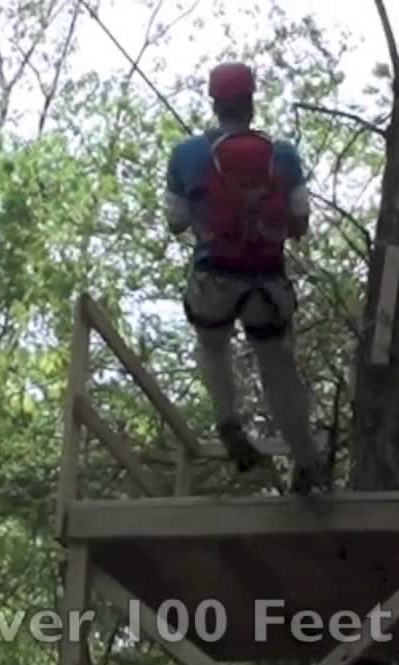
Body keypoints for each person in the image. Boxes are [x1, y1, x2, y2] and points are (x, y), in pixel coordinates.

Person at [163, 61, 326, 493]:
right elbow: (301, 223)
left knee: (212, 346)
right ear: (251, 103)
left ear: (214, 104)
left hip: (213, 278)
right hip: (267, 284)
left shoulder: (186, 154)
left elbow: (175, 222)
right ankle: (306, 459)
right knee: (276, 368)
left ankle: (227, 421)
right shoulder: (282, 154)